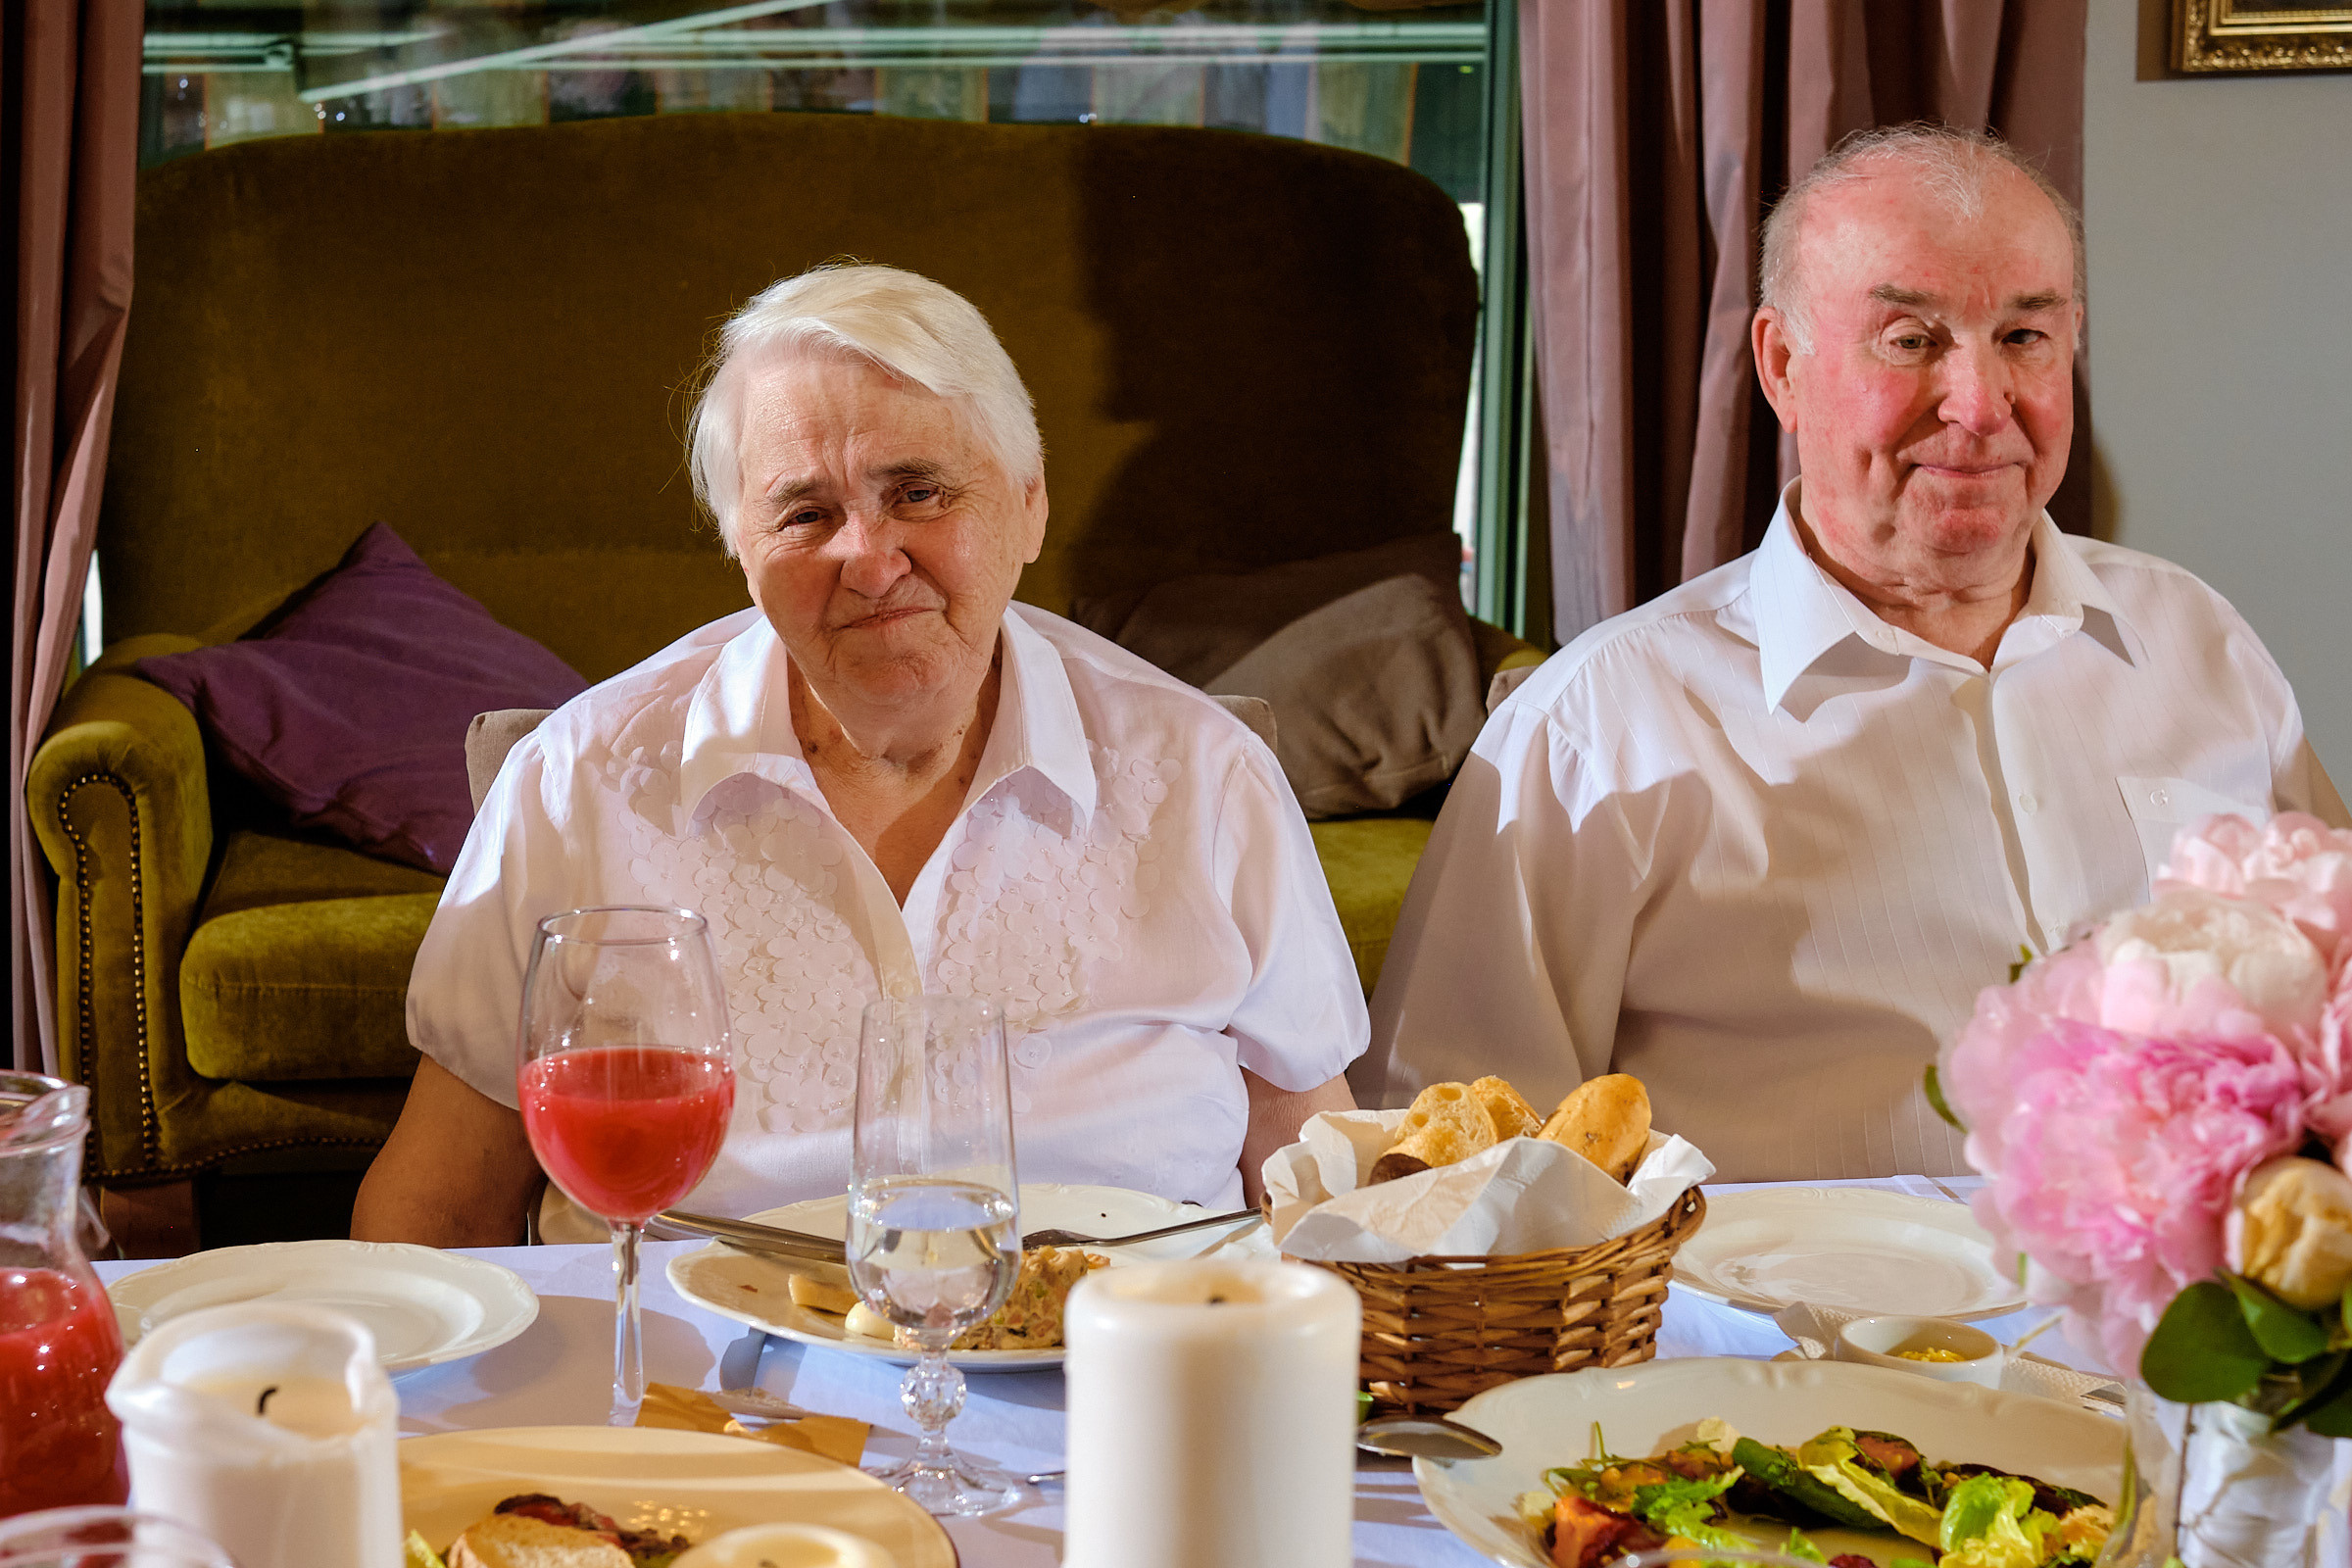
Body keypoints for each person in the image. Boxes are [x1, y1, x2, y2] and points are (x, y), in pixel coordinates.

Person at [1366, 124, 2347, 1182]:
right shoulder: (1601, 726)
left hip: (2185, 1342)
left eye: (2025, 337)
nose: (1979, 406)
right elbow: (1448, 1181)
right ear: (1784, 364)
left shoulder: (2200, 646)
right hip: (1783, 1348)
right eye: (1911, 340)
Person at [353, 264, 1364, 1246]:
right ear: (738, 545)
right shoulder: (580, 782)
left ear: (1028, 503)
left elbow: (1318, 1194)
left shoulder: (1206, 778)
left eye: (919, 492)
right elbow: (440, 1211)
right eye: (806, 513)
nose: (871, 561)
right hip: (693, 1395)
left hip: (1113, 1386)